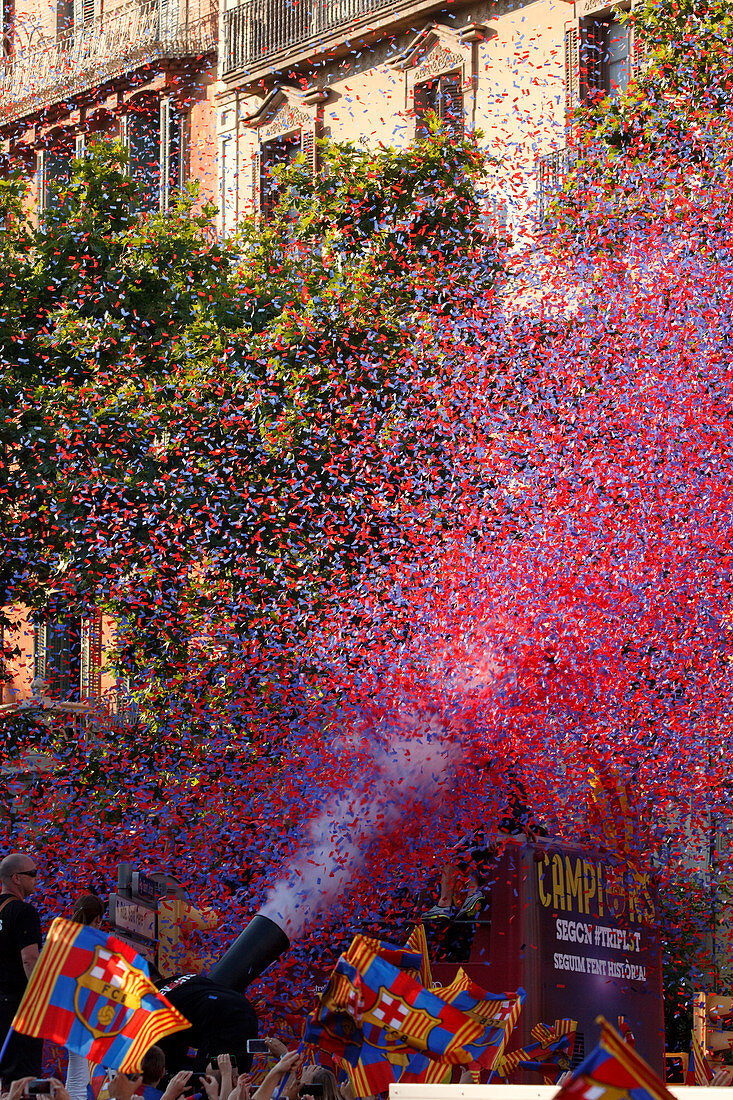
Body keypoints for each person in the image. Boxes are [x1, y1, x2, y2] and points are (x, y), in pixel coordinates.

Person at [154, 973, 258, 1074]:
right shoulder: (185, 977)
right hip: (243, 1007)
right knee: (237, 1076)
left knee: (210, 1079)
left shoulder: (150, 1001)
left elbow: (163, 1055)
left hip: (222, 1021)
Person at [0, 852, 43, 1085]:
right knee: (24, 1079)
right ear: (16, 878)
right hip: (17, 1007)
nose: (37, 879)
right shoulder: (23, 911)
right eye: (32, 874)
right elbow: (29, 959)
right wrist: (41, 996)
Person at [65, 895, 106, 1100]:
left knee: (76, 1067)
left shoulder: (65, 940)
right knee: (81, 1072)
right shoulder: (94, 943)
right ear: (98, 919)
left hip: (65, 1011)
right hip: (84, 1012)